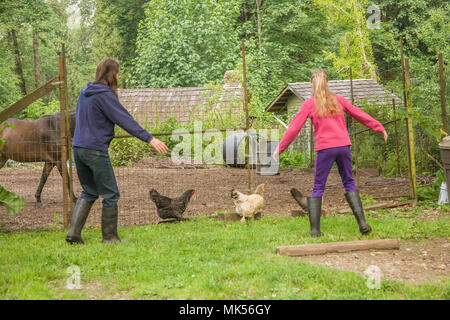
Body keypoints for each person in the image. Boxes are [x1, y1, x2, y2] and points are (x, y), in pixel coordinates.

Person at [273, 69, 388, 237]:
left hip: (325, 149)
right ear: (327, 83)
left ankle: (315, 231)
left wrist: (280, 148)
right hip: (343, 147)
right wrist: (379, 127)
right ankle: (362, 223)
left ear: (311, 84)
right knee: (349, 182)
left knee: (319, 186)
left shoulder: (309, 104)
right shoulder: (338, 100)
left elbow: (294, 128)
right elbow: (358, 113)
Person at [66, 58, 168, 244]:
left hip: (78, 148)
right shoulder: (105, 95)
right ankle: (110, 237)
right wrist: (150, 138)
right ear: (113, 74)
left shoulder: (84, 92)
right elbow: (124, 119)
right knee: (111, 194)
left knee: (89, 191)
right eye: (118, 73)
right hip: (95, 150)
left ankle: (73, 234)